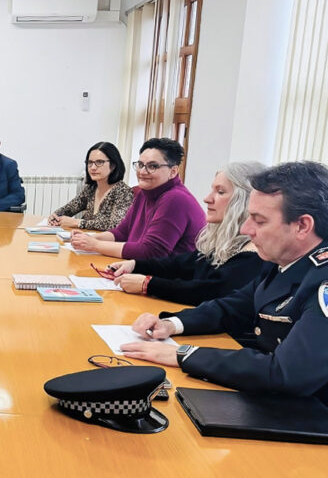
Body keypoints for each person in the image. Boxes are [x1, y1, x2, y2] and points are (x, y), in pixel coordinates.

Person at [121, 161, 328, 403]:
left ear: (302, 226)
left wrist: (185, 354)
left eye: (259, 221)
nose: (246, 229)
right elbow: (232, 307)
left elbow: (286, 373)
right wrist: (170, 324)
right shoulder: (285, 260)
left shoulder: (321, 280)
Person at [107, 162, 265, 305]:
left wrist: (148, 284)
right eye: (140, 165)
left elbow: (210, 291)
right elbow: (183, 264)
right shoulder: (226, 241)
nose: (207, 198)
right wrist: (136, 265)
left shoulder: (254, 251)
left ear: (245, 201)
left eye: (221, 192)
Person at [70, 138, 205, 259]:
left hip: (169, 280)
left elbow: (151, 252)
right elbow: (122, 232)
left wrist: (95, 245)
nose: (142, 172)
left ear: (173, 171)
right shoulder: (144, 192)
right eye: (140, 165)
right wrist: (89, 238)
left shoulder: (175, 198)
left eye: (152, 166)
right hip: (140, 270)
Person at [48, 142, 133, 230]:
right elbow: (69, 208)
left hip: (105, 242)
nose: (92, 167)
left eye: (99, 162)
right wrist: (56, 215)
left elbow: (115, 225)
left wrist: (77, 222)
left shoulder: (124, 192)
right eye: (90, 162)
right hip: (84, 239)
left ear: (113, 165)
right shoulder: (91, 188)